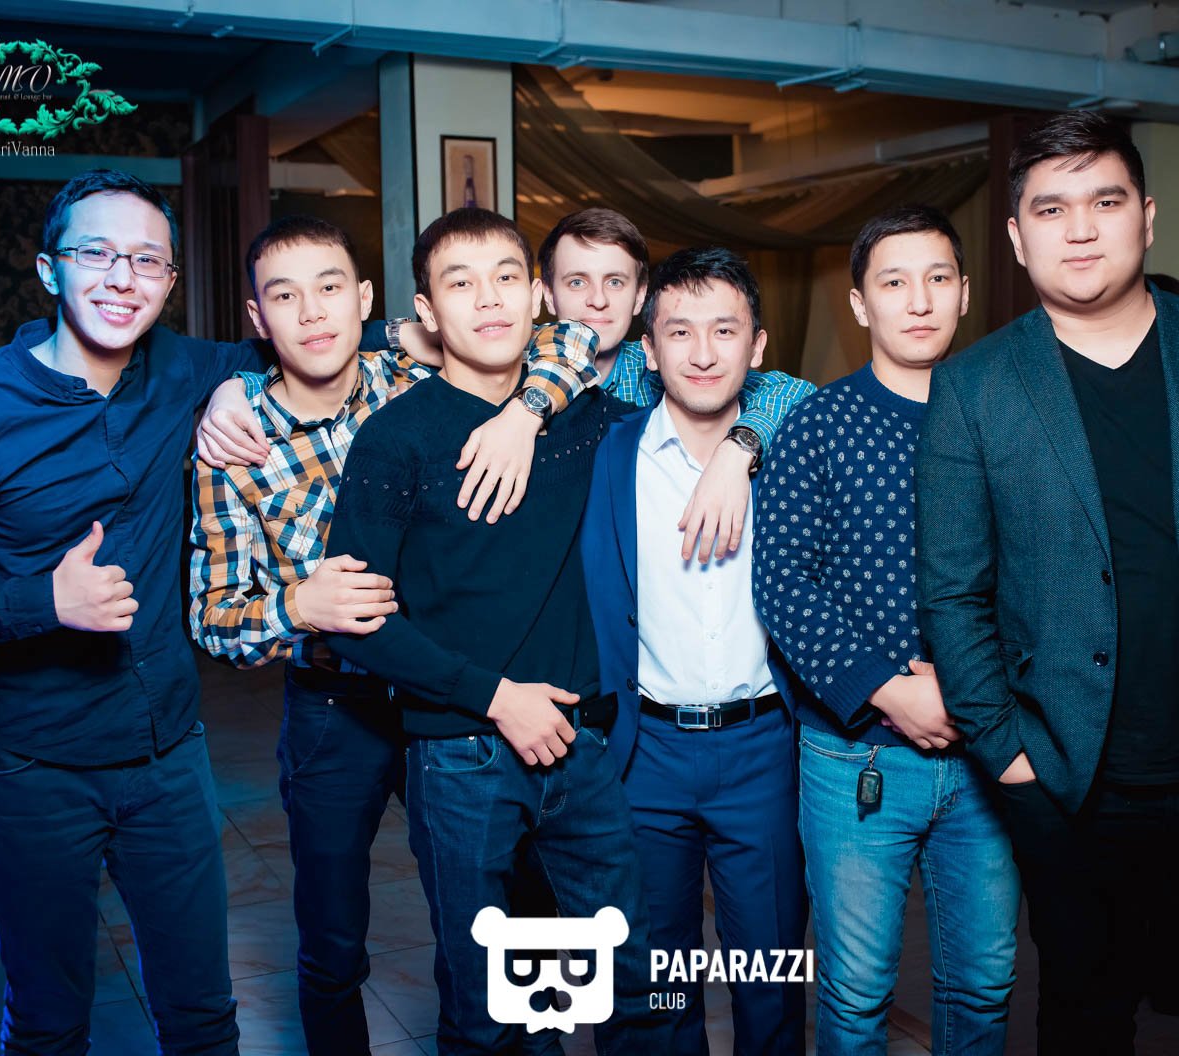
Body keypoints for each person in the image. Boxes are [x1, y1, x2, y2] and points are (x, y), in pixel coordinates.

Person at [917, 111, 1179, 1054]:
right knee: (1085, 1014)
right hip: (1067, 780)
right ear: (1017, 236)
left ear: (1146, 218)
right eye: (1051, 209)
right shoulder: (974, 387)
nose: (1079, 230)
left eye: (1104, 202)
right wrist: (1008, 754)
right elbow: (952, 591)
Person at [188, 214, 596, 1054]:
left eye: (331, 288)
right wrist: (299, 605)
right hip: (337, 708)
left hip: (457, 701)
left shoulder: (410, 372)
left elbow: (568, 339)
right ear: (257, 318)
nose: (313, 313)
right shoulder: (234, 442)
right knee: (333, 937)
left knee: (502, 914)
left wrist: (524, 414)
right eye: (285, 297)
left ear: (366, 299)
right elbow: (214, 611)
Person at [0, 170, 250, 1055]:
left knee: (203, 1017)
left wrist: (238, 388)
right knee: (48, 1024)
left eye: (147, 260)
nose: (122, 278)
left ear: (169, 281)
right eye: (97, 253)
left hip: (168, 759)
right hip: (33, 772)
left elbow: (293, 348)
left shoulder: (182, 368)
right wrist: (42, 601)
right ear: (49, 269)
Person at [315, 206, 665, 1054]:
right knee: (490, 1011)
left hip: (582, 747)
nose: (488, 299)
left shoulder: (590, 422)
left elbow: (724, 399)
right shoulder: (395, 440)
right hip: (461, 757)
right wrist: (497, 698)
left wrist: (743, 444)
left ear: (537, 295)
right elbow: (358, 624)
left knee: (632, 990)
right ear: (426, 311)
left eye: (507, 277)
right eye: (460, 282)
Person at [755, 206, 1019, 1055]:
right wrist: (888, 689)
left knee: (984, 983)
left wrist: (981, 692)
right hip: (855, 759)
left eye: (938, 279)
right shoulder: (819, 424)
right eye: (894, 282)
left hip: (989, 751)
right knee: (856, 993)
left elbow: (1044, 575)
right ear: (860, 303)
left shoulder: (1009, 417)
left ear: (965, 292)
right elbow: (782, 581)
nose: (919, 300)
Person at [581, 247, 812, 1055]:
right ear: (648, 349)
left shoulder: (798, 447)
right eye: (679, 332)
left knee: (770, 981)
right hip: (644, 750)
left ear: (758, 345)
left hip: (763, 748)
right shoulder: (604, 454)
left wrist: (742, 448)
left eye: (725, 330)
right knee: (655, 985)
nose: (704, 352)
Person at [539, 207, 811, 562]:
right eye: (577, 282)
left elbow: (793, 391)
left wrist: (736, 450)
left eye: (615, 282)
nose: (598, 300)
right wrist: (525, 410)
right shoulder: (524, 364)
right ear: (547, 295)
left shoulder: (654, 364)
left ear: (639, 296)